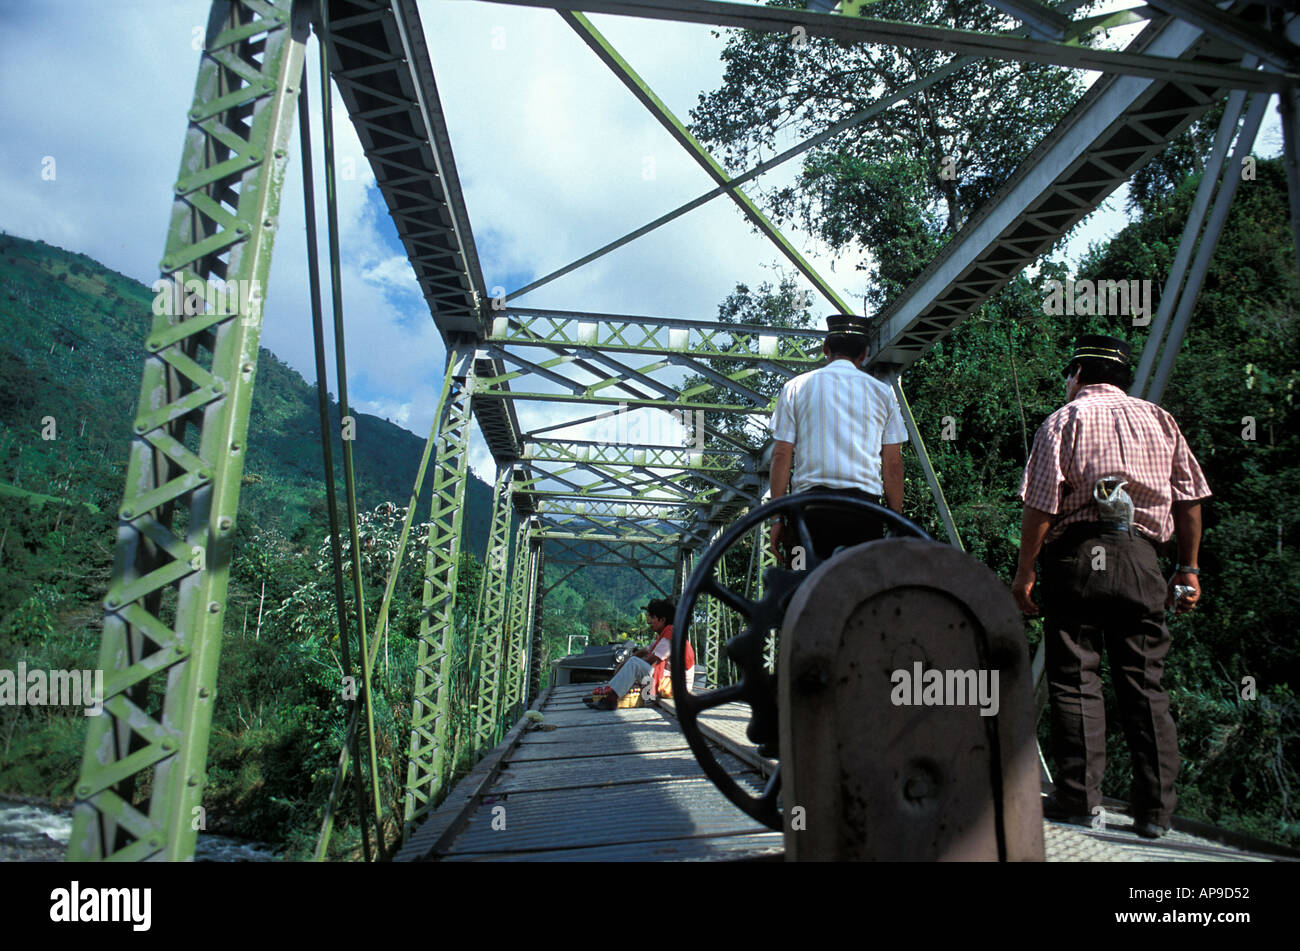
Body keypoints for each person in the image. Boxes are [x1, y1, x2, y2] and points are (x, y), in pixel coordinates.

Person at [1013, 334, 1211, 839]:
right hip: (1142, 558)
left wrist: (1026, 572)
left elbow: (1041, 506)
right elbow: (1190, 499)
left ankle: (1079, 802)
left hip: (1077, 558)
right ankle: (1155, 815)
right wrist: (1188, 569)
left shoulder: (1063, 420)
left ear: (1077, 375)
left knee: (1076, 676)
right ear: (1123, 379)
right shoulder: (1159, 420)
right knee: (1145, 685)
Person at [768, 313, 907, 564]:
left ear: (825, 349)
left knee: (803, 587)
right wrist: (895, 519)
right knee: (860, 589)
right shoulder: (883, 393)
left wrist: (776, 517)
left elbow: (781, 455)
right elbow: (893, 465)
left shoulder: (795, 387)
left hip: (809, 510)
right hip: (864, 512)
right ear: (864, 353)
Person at [586, 599, 695, 710]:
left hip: (677, 688)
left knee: (635, 664)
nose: (649, 622)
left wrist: (625, 666)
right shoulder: (665, 635)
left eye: (652, 618)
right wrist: (624, 663)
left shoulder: (670, 636)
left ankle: (610, 699)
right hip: (672, 683)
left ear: (662, 620)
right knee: (633, 663)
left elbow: (648, 661)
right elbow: (644, 651)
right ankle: (609, 693)